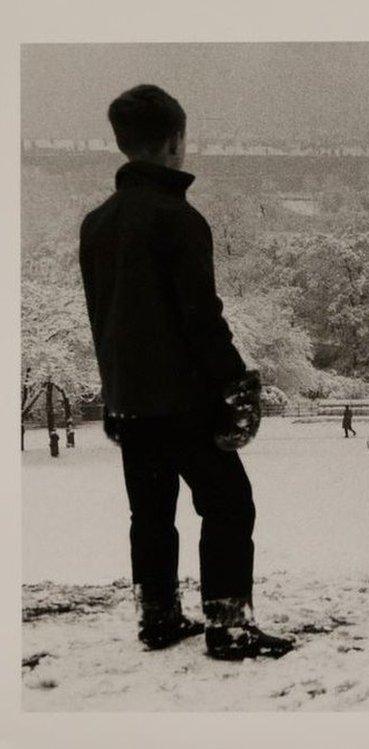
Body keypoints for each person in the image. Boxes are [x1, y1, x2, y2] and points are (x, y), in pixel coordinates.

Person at [79, 84, 291, 660]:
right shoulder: (179, 220)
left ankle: (159, 618)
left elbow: (105, 320)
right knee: (228, 504)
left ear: (124, 144)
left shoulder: (96, 226)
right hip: (184, 401)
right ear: (175, 142)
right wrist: (236, 384)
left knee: (150, 513)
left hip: (129, 400)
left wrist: (115, 391)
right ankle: (229, 626)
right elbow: (203, 319)